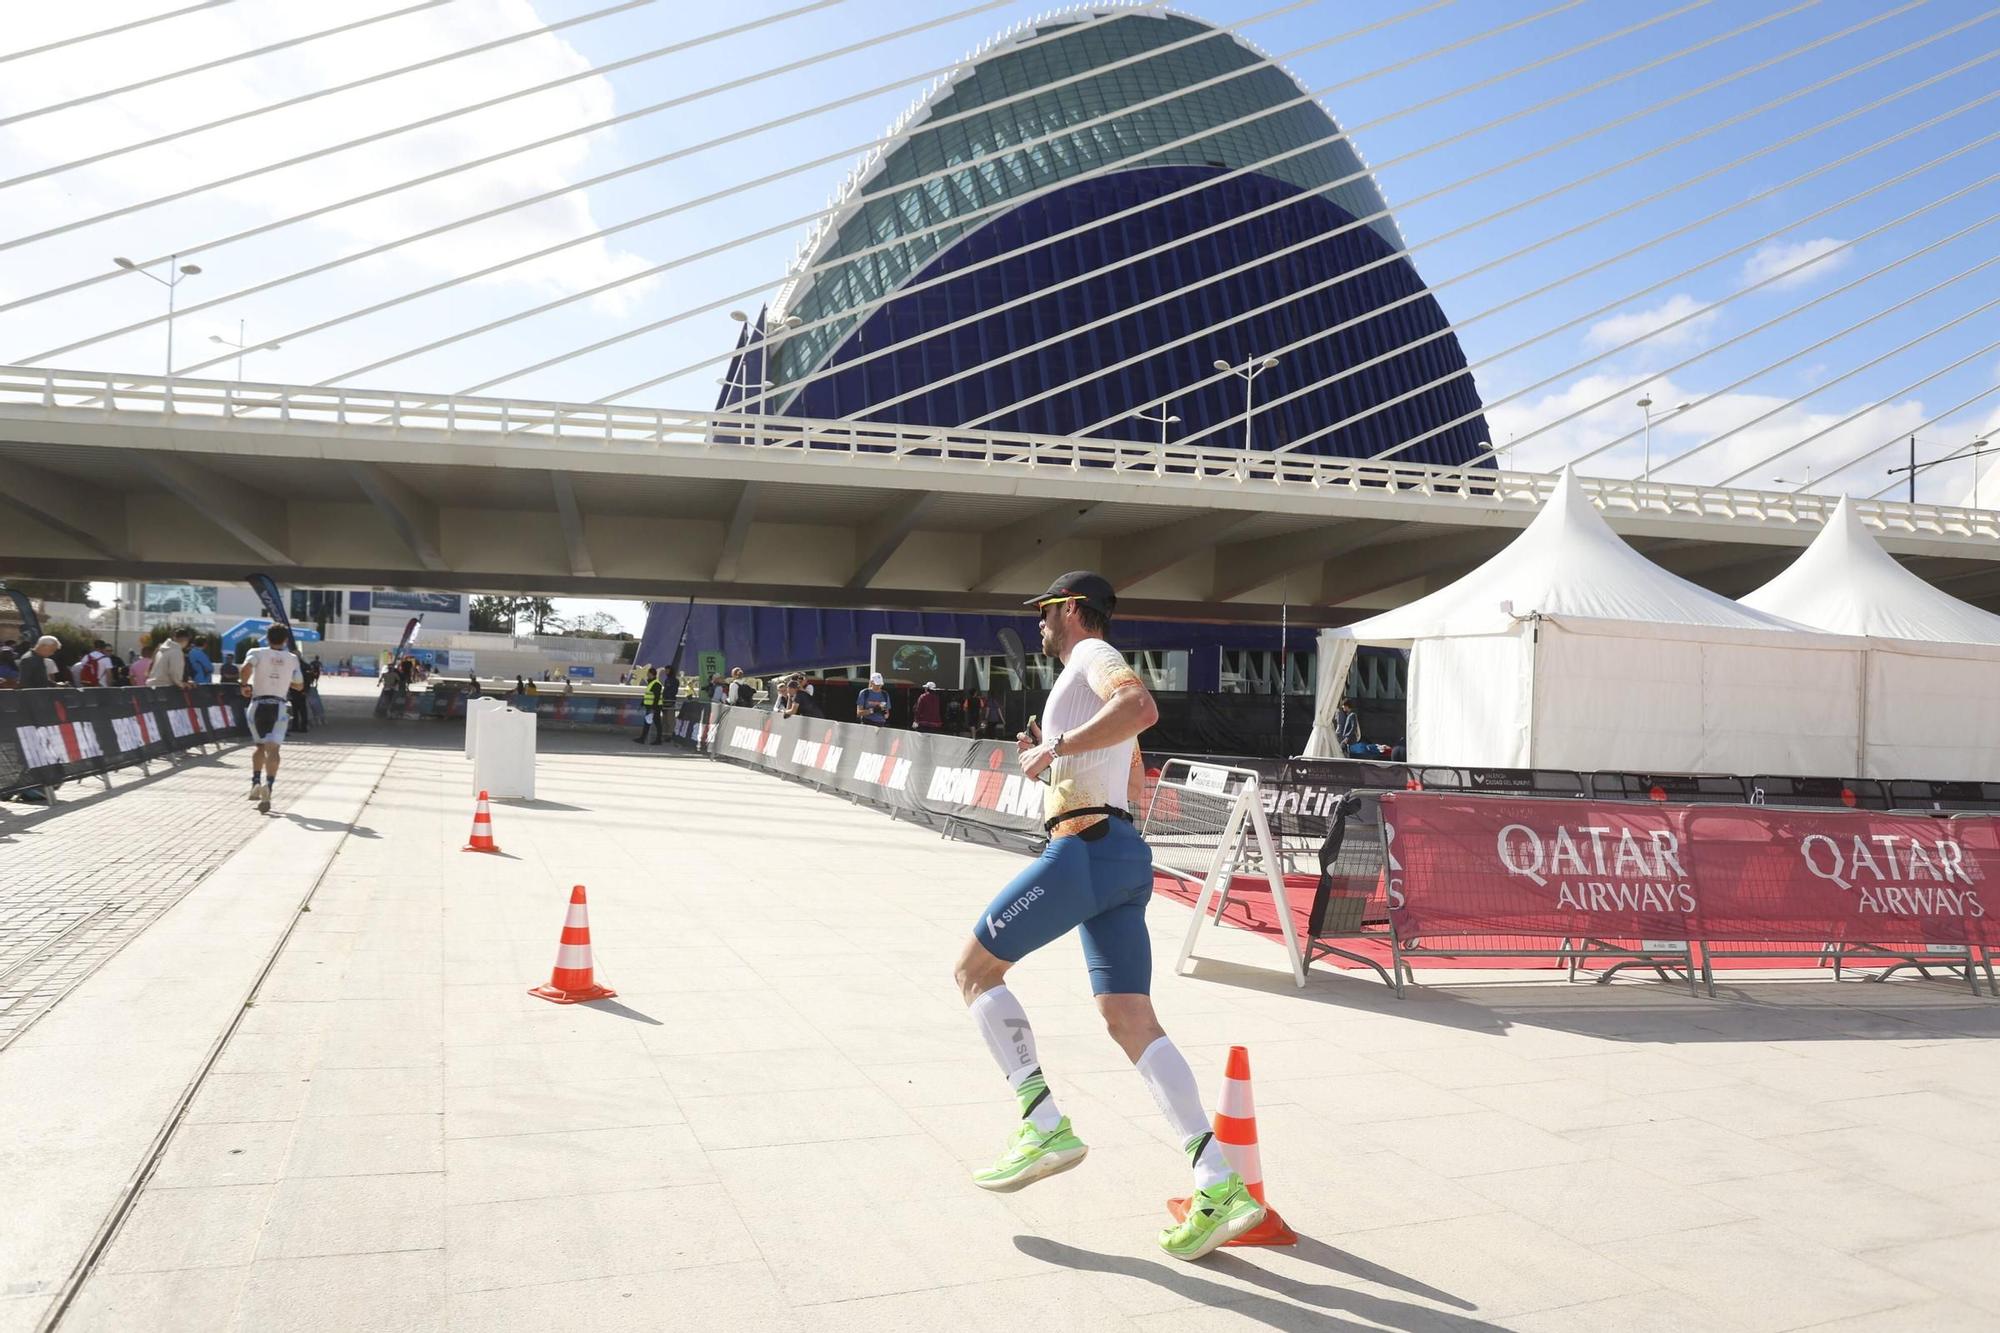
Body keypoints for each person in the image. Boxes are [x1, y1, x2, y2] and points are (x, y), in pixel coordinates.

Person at [952, 571, 1264, 1261]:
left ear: (1069, 609)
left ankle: (1042, 1122)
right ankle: (1219, 1181)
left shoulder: (1090, 656)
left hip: (1085, 848)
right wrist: (1065, 754)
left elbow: (1141, 708)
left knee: (975, 970)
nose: (1038, 622)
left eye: (1043, 611)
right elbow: (1136, 771)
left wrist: (1055, 752)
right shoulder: (1078, 684)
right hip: (1122, 853)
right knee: (1130, 1018)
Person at [9, 637, 62, 801]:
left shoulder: (37, 660)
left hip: (38, 710)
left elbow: (39, 681)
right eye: (52, 650)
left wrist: (54, 686)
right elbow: (25, 684)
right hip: (32, 711)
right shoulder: (29, 660)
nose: (52, 653)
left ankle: (26, 787)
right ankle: (24, 788)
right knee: (33, 749)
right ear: (44, 646)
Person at [635, 667, 664, 744]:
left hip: (654, 707)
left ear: (651, 674)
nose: (647, 675)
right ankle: (644, 738)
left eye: (648, 673)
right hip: (651, 707)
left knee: (655, 723)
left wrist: (653, 708)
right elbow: (647, 695)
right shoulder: (651, 683)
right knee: (649, 722)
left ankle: (656, 740)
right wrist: (642, 704)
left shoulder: (656, 684)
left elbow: (656, 697)